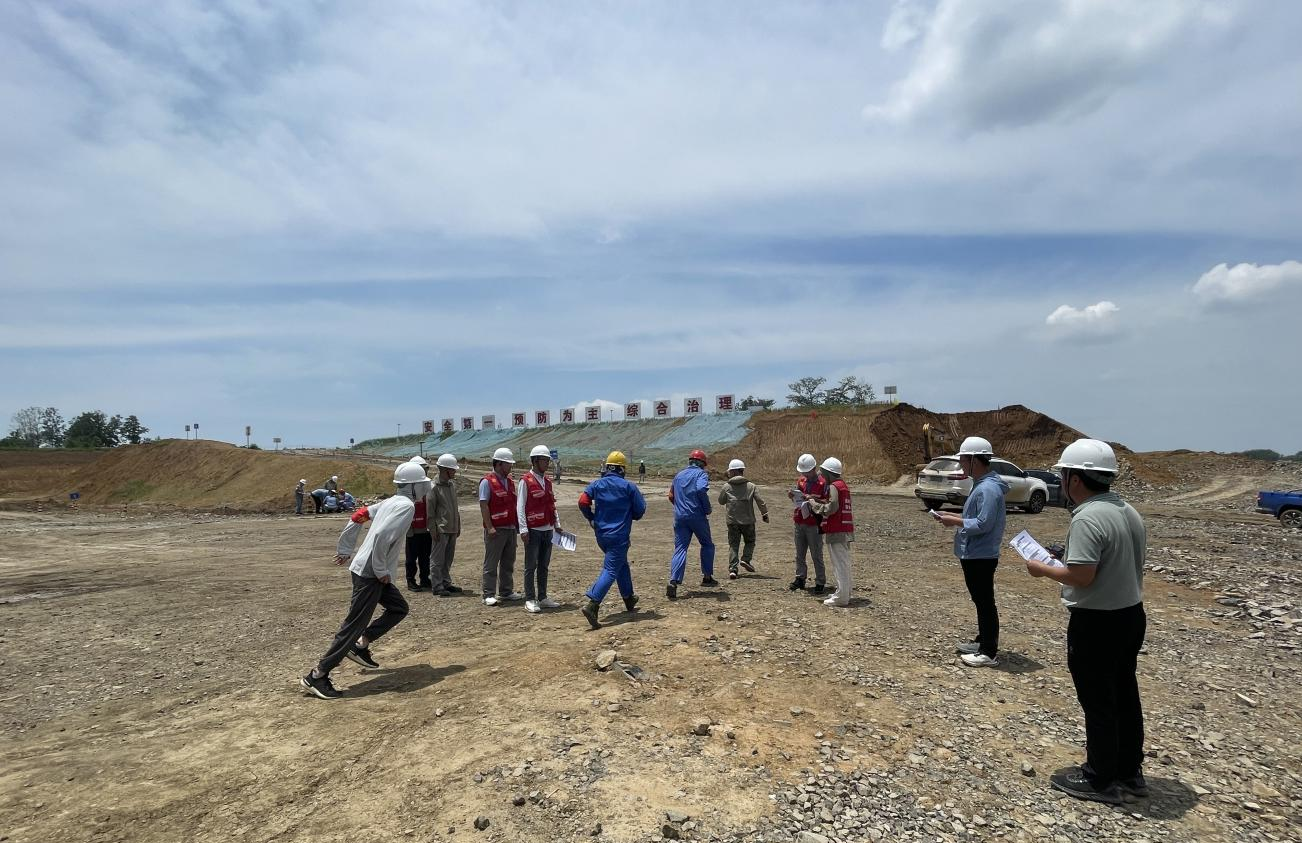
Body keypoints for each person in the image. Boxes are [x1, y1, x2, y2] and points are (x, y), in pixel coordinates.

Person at [1024, 439, 1147, 805]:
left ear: (1075, 479)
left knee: (1098, 700)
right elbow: (1113, 559)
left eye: (1063, 474)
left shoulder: (1087, 517)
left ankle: (1099, 778)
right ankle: (1129, 771)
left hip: (1097, 622)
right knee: (1124, 694)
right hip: (1130, 615)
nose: (1061, 481)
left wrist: (1042, 568)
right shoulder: (1127, 510)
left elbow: (1082, 576)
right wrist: (1066, 556)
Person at [299, 462, 428, 700]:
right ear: (413, 486)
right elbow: (380, 535)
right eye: (422, 484)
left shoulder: (390, 502)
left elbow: (358, 516)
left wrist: (346, 548)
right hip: (371, 573)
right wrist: (380, 570)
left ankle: (361, 644)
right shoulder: (406, 506)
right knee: (353, 626)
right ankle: (317, 675)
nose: (425, 488)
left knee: (399, 608)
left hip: (367, 569)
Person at [935, 436, 1010, 668]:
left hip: (981, 555)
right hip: (976, 553)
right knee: (981, 600)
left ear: (975, 461)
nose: (961, 464)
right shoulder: (983, 484)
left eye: (963, 460)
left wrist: (955, 522)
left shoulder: (987, 488)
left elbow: (983, 524)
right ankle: (983, 641)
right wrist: (952, 516)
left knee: (985, 602)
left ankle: (988, 651)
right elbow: (975, 518)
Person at [579, 451, 647, 629]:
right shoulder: (628, 487)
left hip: (601, 535)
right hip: (619, 536)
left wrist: (591, 518)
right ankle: (593, 604)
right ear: (622, 469)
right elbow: (640, 511)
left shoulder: (597, 484)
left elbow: (583, 501)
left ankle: (628, 597)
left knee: (621, 564)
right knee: (611, 569)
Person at [518, 445, 563, 613]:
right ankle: (530, 599)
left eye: (548, 460)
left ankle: (542, 597)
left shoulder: (548, 482)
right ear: (535, 461)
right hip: (533, 530)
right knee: (531, 566)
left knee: (544, 565)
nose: (547, 463)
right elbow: (520, 506)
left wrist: (557, 523)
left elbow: (551, 504)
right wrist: (523, 529)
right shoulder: (525, 481)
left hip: (547, 529)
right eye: (544, 460)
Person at [666, 449, 716, 599]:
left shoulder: (679, 475)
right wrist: (706, 508)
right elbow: (701, 489)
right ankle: (707, 576)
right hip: (697, 515)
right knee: (707, 544)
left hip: (680, 517)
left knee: (680, 548)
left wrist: (680, 507)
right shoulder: (701, 474)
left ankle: (673, 581)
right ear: (702, 463)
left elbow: (671, 495)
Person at [806, 457, 854, 607]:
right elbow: (835, 504)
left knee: (839, 563)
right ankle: (844, 592)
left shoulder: (834, 486)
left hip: (836, 528)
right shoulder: (842, 485)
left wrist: (814, 505)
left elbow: (832, 507)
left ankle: (841, 597)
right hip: (843, 528)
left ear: (828, 472)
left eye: (823, 472)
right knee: (843, 562)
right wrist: (819, 500)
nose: (821, 475)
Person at [479, 447, 523, 606]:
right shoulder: (487, 482)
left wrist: (517, 526)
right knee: (491, 563)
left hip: (510, 528)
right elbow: (484, 505)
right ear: (498, 464)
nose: (510, 467)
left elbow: (513, 505)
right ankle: (488, 594)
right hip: (496, 529)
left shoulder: (509, 482)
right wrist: (489, 527)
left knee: (508, 562)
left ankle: (506, 591)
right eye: (508, 464)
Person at [719, 459, 769, 579]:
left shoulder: (726, 486)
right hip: (748, 521)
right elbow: (760, 501)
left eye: (730, 471)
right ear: (742, 471)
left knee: (733, 544)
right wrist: (764, 514)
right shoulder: (751, 486)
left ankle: (733, 569)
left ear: (733, 472)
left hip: (732, 521)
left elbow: (721, 501)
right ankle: (746, 559)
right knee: (750, 541)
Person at [788, 453, 827, 593]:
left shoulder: (823, 483)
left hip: (814, 523)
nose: (805, 474)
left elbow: (827, 502)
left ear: (814, 468)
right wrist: (792, 496)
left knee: (816, 554)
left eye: (807, 472)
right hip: (800, 520)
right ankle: (800, 578)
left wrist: (814, 499)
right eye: (803, 472)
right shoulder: (801, 480)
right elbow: (797, 498)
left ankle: (820, 581)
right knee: (800, 553)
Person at [430, 453, 464, 596]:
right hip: (441, 529)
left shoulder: (451, 485)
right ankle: (437, 586)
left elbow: (455, 508)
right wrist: (433, 530)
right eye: (453, 469)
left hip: (452, 528)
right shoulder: (433, 487)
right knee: (437, 559)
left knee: (448, 558)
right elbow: (430, 512)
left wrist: (458, 525)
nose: (455, 471)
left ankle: (445, 582)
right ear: (445, 469)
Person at [404, 456, 436, 591]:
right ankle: (411, 580)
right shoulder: (406, 488)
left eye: (425, 469)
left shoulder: (429, 486)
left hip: (426, 528)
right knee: (411, 558)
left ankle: (425, 579)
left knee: (425, 556)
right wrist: (408, 529)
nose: (424, 471)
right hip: (412, 529)